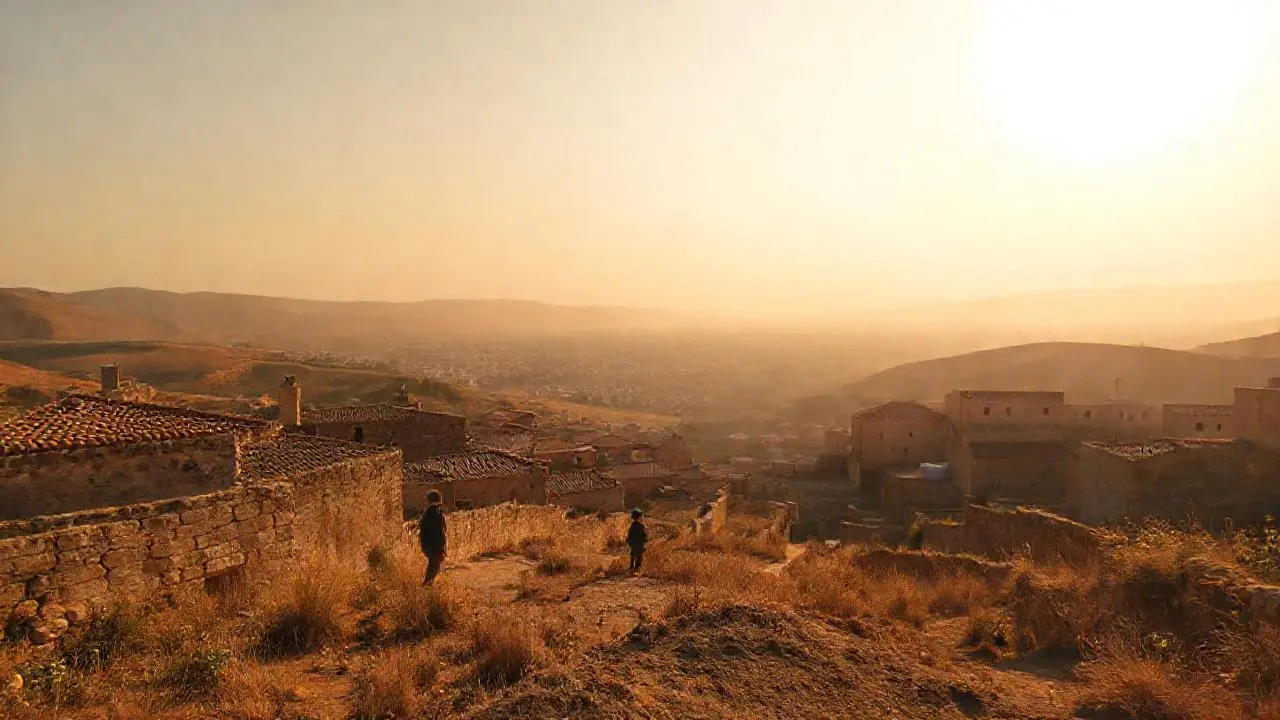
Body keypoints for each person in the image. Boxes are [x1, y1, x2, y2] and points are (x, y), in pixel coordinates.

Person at [418, 490, 447, 584]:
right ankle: (426, 588)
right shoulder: (437, 513)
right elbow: (440, 531)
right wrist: (442, 547)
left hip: (427, 545)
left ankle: (428, 587)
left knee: (433, 567)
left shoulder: (427, 513)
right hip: (435, 546)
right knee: (434, 568)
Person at [626, 508, 648, 572]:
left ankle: (632, 567)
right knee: (638, 557)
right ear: (639, 517)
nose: (643, 517)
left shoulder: (634, 525)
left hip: (634, 544)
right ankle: (636, 568)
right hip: (638, 544)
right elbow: (642, 536)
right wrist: (645, 534)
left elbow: (630, 536)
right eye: (642, 516)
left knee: (633, 555)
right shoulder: (639, 526)